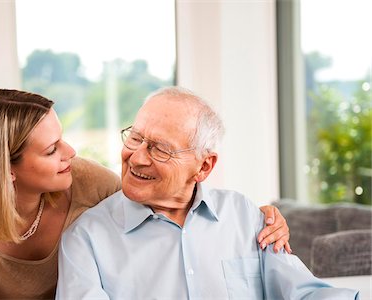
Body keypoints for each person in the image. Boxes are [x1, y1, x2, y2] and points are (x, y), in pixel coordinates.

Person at [0, 89, 290, 299]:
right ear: (6, 170)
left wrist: (257, 217)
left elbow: (165, 198)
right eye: (52, 149)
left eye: (62, 137)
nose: (71, 153)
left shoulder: (85, 181)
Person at [56, 86, 359, 299]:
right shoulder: (86, 238)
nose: (137, 157)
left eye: (160, 149)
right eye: (135, 138)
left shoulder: (243, 215)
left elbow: (303, 292)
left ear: (204, 167)